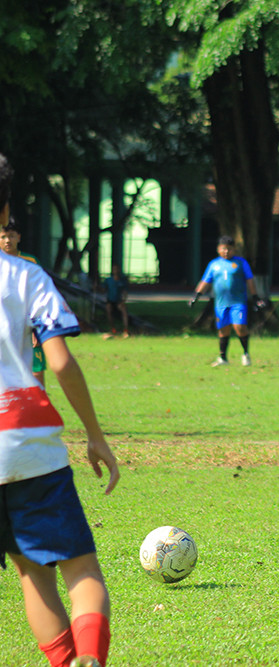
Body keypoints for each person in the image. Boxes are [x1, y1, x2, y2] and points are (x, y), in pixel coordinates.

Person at [1, 151, 120, 667]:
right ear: (5, 208)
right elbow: (61, 361)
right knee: (79, 570)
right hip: (22, 435)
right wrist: (93, 432)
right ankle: (86, 657)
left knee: (28, 570)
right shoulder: (24, 276)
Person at [189, 235, 267, 367]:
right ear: (218, 249)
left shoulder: (241, 263)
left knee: (239, 327)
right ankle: (223, 358)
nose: (226, 251)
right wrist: (196, 296)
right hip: (220, 303)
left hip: (238, 302)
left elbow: (250, 280)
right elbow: (205, 281)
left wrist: (255, 297)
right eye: (223, 249)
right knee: (223, 330)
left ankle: (245, 353)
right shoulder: (214, 264)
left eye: (229, 249)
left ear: (234, 249)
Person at [1, 218, 47, 387]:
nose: (7, 241)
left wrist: (37, 328)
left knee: (36, 372)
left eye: (11, 236)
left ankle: (39, 408)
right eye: (3, 236)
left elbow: (39, 297)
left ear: (19, 237)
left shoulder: (31, 262)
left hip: (28, 325)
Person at [101, 264, 130, 338]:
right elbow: (103, 290)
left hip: (119, 301)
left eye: (117, 269)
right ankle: (112, 329)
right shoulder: (108, 280)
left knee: (124, 310)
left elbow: (125, 292)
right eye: (114, 269)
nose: (116, 271)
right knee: (108, 309)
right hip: (110, 301)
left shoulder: (122, 281)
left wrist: (123, 301)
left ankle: (126, 330)